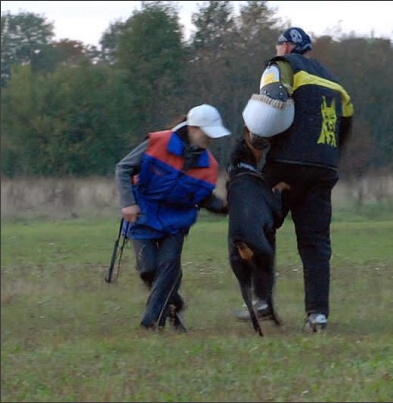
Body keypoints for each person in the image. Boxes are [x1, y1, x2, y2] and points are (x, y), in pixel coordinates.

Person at [236, 27, 354, 332]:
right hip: (324, 167)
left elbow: (271, 102)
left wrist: (258, 140)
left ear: (287, 46)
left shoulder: (282, 65)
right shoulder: (334, 80)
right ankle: (317, 314)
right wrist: (329, 158)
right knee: (316, 243)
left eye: (280, 44)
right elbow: (347, 121)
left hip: (286, 164)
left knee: (259, 227)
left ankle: (261, 300)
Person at [115, 104, 231, 332]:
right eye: (207, 133)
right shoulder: (157, 143)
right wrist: (128, 203)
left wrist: (228, 207)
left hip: (177, 223)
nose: (210, 139)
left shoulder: (209, 165)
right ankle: (173, 304)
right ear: (193, 128)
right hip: (143, 216)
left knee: (168, 266)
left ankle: (151, 323)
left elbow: (204, 197)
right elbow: (123, 169)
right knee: (148, 270)